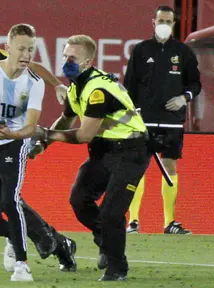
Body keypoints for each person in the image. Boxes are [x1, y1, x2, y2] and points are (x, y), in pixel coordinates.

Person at [33, 34, 151, 281]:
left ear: (87, 62)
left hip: (130, 151)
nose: (66, 61)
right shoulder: (77, 85)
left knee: (111, 213)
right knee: (79, 200)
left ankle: (117, 269)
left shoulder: (98, 90)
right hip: (104, 151)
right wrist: (43, 143)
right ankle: (107, 242)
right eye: (65, 56)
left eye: (72, 58)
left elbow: (84, 134)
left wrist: (45, 132)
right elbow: (66, 120)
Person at [0, 38, 77, 276]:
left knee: (8, 200)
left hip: (10, 137)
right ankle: (48, 240)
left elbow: (31, 67)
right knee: (8, 200)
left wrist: (56, 85)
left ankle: (41, 240)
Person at [123, 5, 201, 234]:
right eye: (161, 20)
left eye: (169, 21)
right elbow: (129, 86)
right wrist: (132, 113)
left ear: (174, 24)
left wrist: (184, 98)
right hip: (142, 121)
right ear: (153, 22)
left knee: (170, 167)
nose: (164, 25)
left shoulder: (184, 52)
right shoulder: (140, 50)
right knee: (139, 167)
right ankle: (133, 220)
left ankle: (169, 222)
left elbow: (195, 84)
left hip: (172, 121)